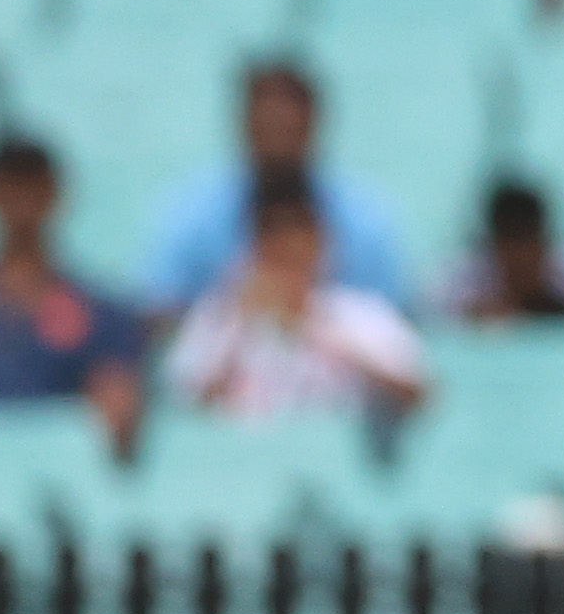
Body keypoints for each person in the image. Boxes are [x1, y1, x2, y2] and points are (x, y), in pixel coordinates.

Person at [0, 137, 143, 453]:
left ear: (55, 193)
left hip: (46, 473)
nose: (22, 197)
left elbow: (118, 405)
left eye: (33, 183)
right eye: (10, 183)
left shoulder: (97, 313)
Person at [139, 59, 410, 315]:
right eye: (267, 126)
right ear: (244, 125)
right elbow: (159, 309)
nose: (277, 142)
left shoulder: (365, 223)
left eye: (288, 128)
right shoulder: (193, 217)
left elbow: (391, 316)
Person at [162, 166, 428, 422]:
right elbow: (190, 407)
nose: (289, 268)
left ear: (322, 251)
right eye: (278, 254)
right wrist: (240, 326)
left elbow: (414, 394)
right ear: (256, 252)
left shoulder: (363, 315)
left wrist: (314, 328)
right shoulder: (217, 316)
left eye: (299, 255)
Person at [439, 180, 564, 324]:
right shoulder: (459, 281)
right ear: (493, 246)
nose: (522, 258)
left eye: (527, 243)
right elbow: (438, 317)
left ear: (544, 242)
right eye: (512, 244)